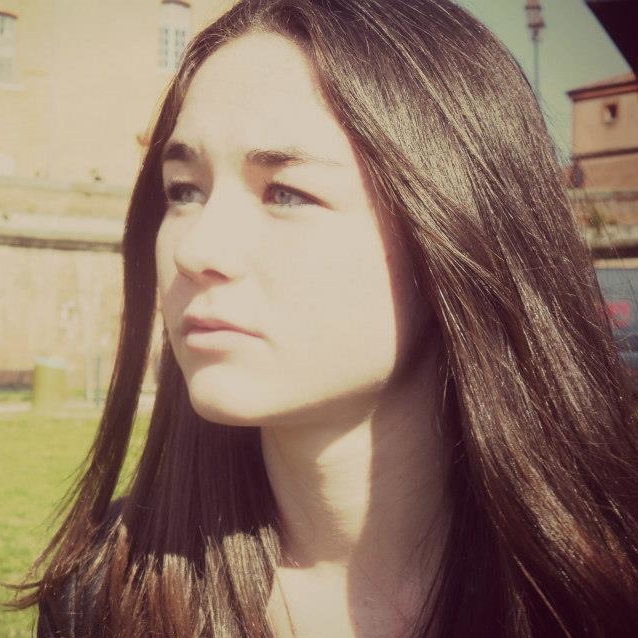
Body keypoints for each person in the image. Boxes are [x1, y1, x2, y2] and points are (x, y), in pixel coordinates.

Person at [10, 0, 638, 636]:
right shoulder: (107, 598)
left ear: (458, 229)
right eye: (184, 190)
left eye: (287, 192)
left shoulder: (603, 594)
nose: (195, 249)